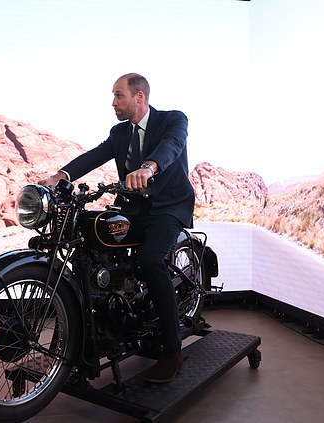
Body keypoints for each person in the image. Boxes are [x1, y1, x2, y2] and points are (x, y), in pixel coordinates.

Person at [39, 73, 195, 383]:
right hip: (134, 207)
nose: (113, 102)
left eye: (119, 95)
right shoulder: (120, 133)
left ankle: (173, 352)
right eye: (113, 96)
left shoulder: (172, 120)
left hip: (167, 206)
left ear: (139, 97)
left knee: (151, 260)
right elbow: (95, 155)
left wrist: (149, 167)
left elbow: (172, 147)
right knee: (96, 241)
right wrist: (61, 176)